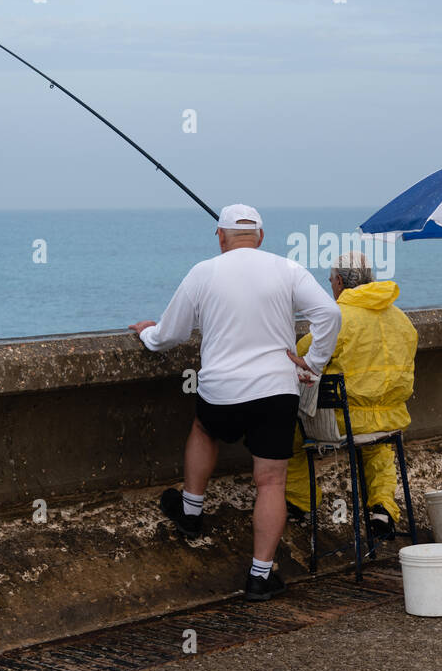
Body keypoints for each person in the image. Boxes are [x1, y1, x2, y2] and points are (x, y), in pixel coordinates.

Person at [127, 204, 341, 601]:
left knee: (204, 429)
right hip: (276, 391)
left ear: (220, 237)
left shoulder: (203, 272)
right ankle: (260, 576)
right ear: (260, 236)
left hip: (221, 391)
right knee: (271, 481)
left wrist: (146, 334)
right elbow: (329, 312)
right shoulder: (287, 269)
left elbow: (169, 334)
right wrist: (312, 363)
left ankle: (191, 512)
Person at [284, 252, 418, 539]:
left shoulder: (339, 319)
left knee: (287, 435)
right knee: (378, 446)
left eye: (331, 281)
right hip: (390, 420)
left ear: (340, 282)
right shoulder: (401, 319)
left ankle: (302, 501)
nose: (330, 286)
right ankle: (382, 508)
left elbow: (303, 353)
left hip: (344, 423)